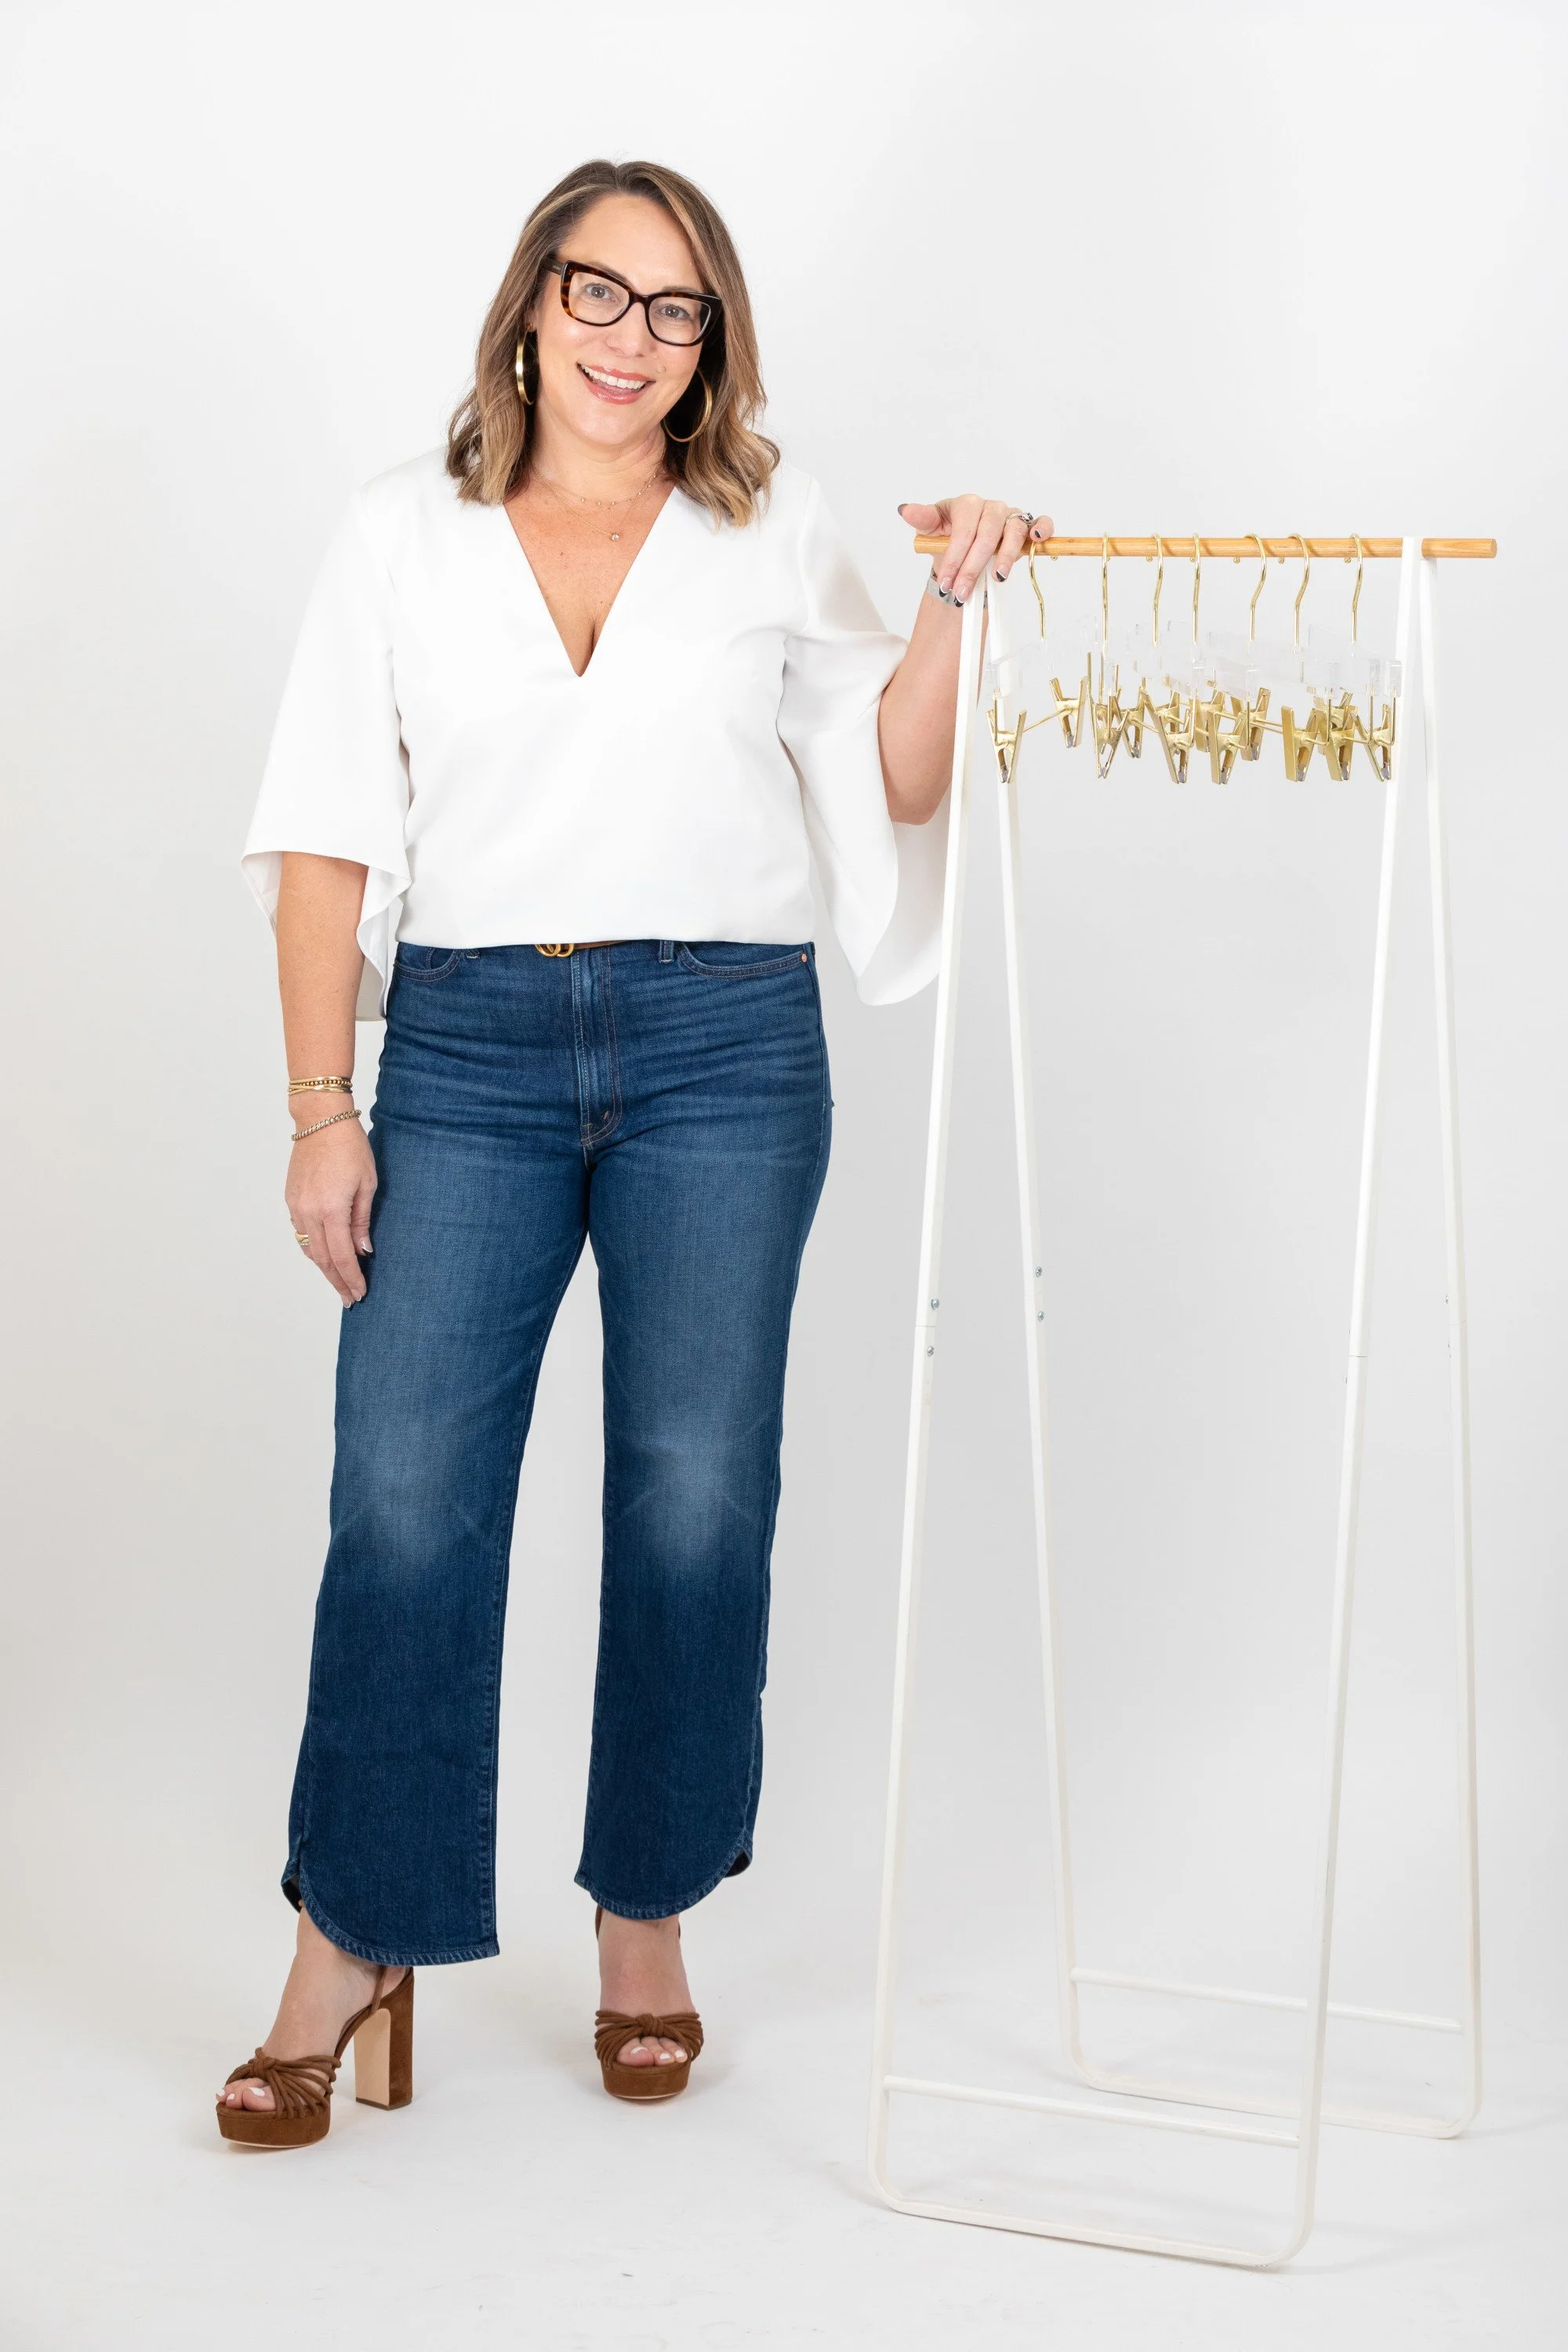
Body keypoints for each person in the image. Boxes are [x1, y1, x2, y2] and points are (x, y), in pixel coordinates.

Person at [219, 155, 1047, 2147]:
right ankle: (355, 1938)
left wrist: (954, 597)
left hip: (723, 1047)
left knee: (693, 1495)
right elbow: (325, 836)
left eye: (676, 313)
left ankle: (645, 1922)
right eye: (599, 295)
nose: (630, 342)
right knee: (406, 1495)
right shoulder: (398, 538)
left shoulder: (769, 531)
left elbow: (894, 775)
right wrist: (324, 1110)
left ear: (711, 347)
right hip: (474, 1049)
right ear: (531, 303)